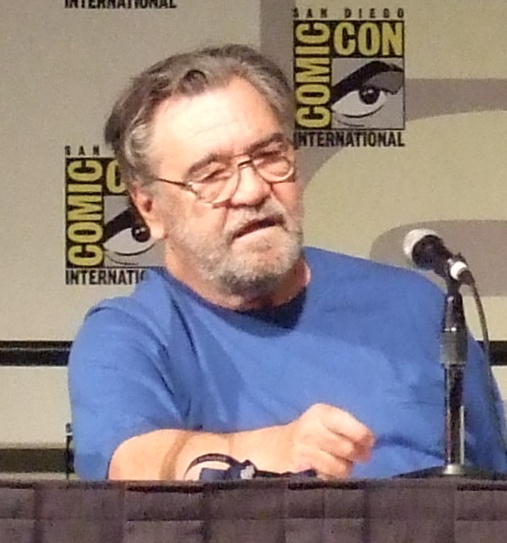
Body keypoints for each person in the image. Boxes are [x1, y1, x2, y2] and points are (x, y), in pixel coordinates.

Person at [68, 43, 507, 481]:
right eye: (212, 175)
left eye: (268, 156)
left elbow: (492, 486)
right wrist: (270, 450)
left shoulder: (415, 307)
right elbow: (133, 463)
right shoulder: (131, 337)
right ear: (149, 209)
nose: (252, 190)